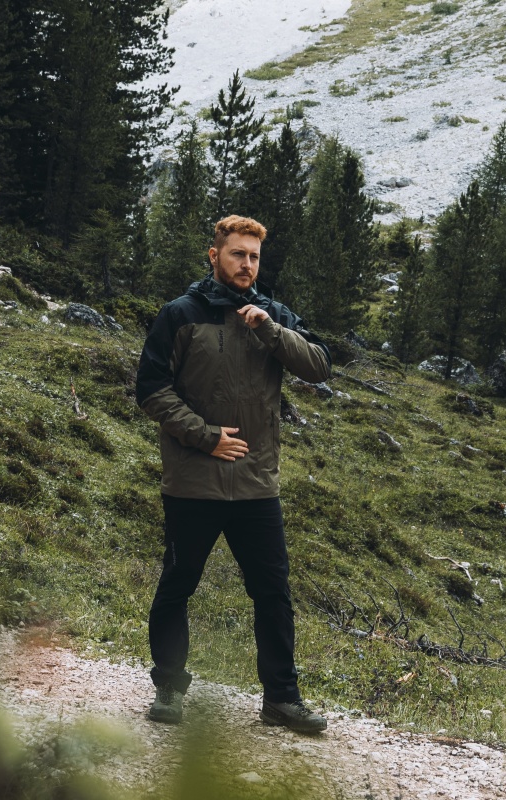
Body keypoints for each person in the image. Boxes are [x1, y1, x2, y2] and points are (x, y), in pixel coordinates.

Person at [134, 215, 332, 733]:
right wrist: (206, 436)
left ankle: (281, 700)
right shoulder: (180, 314)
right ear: (214, 255)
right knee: (178, 585)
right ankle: (169, 688)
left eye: (254, 257)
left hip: (256, 484)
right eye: (238, 254)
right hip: (193, 480)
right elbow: (151, 389)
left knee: (273, 593)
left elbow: (319, 366)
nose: (247, 265)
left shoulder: (274, 315)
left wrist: (270, 330)